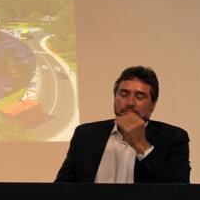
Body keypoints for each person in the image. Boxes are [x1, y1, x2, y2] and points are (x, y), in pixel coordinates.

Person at [55, 66, 190, 183]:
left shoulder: (173, 137)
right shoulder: (86, 134)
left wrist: (142, 145)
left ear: (153, 105)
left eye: (140, 96)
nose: (130, 102)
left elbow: (179, 191)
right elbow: (62, 188)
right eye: (124, 94)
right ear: (115, 98)